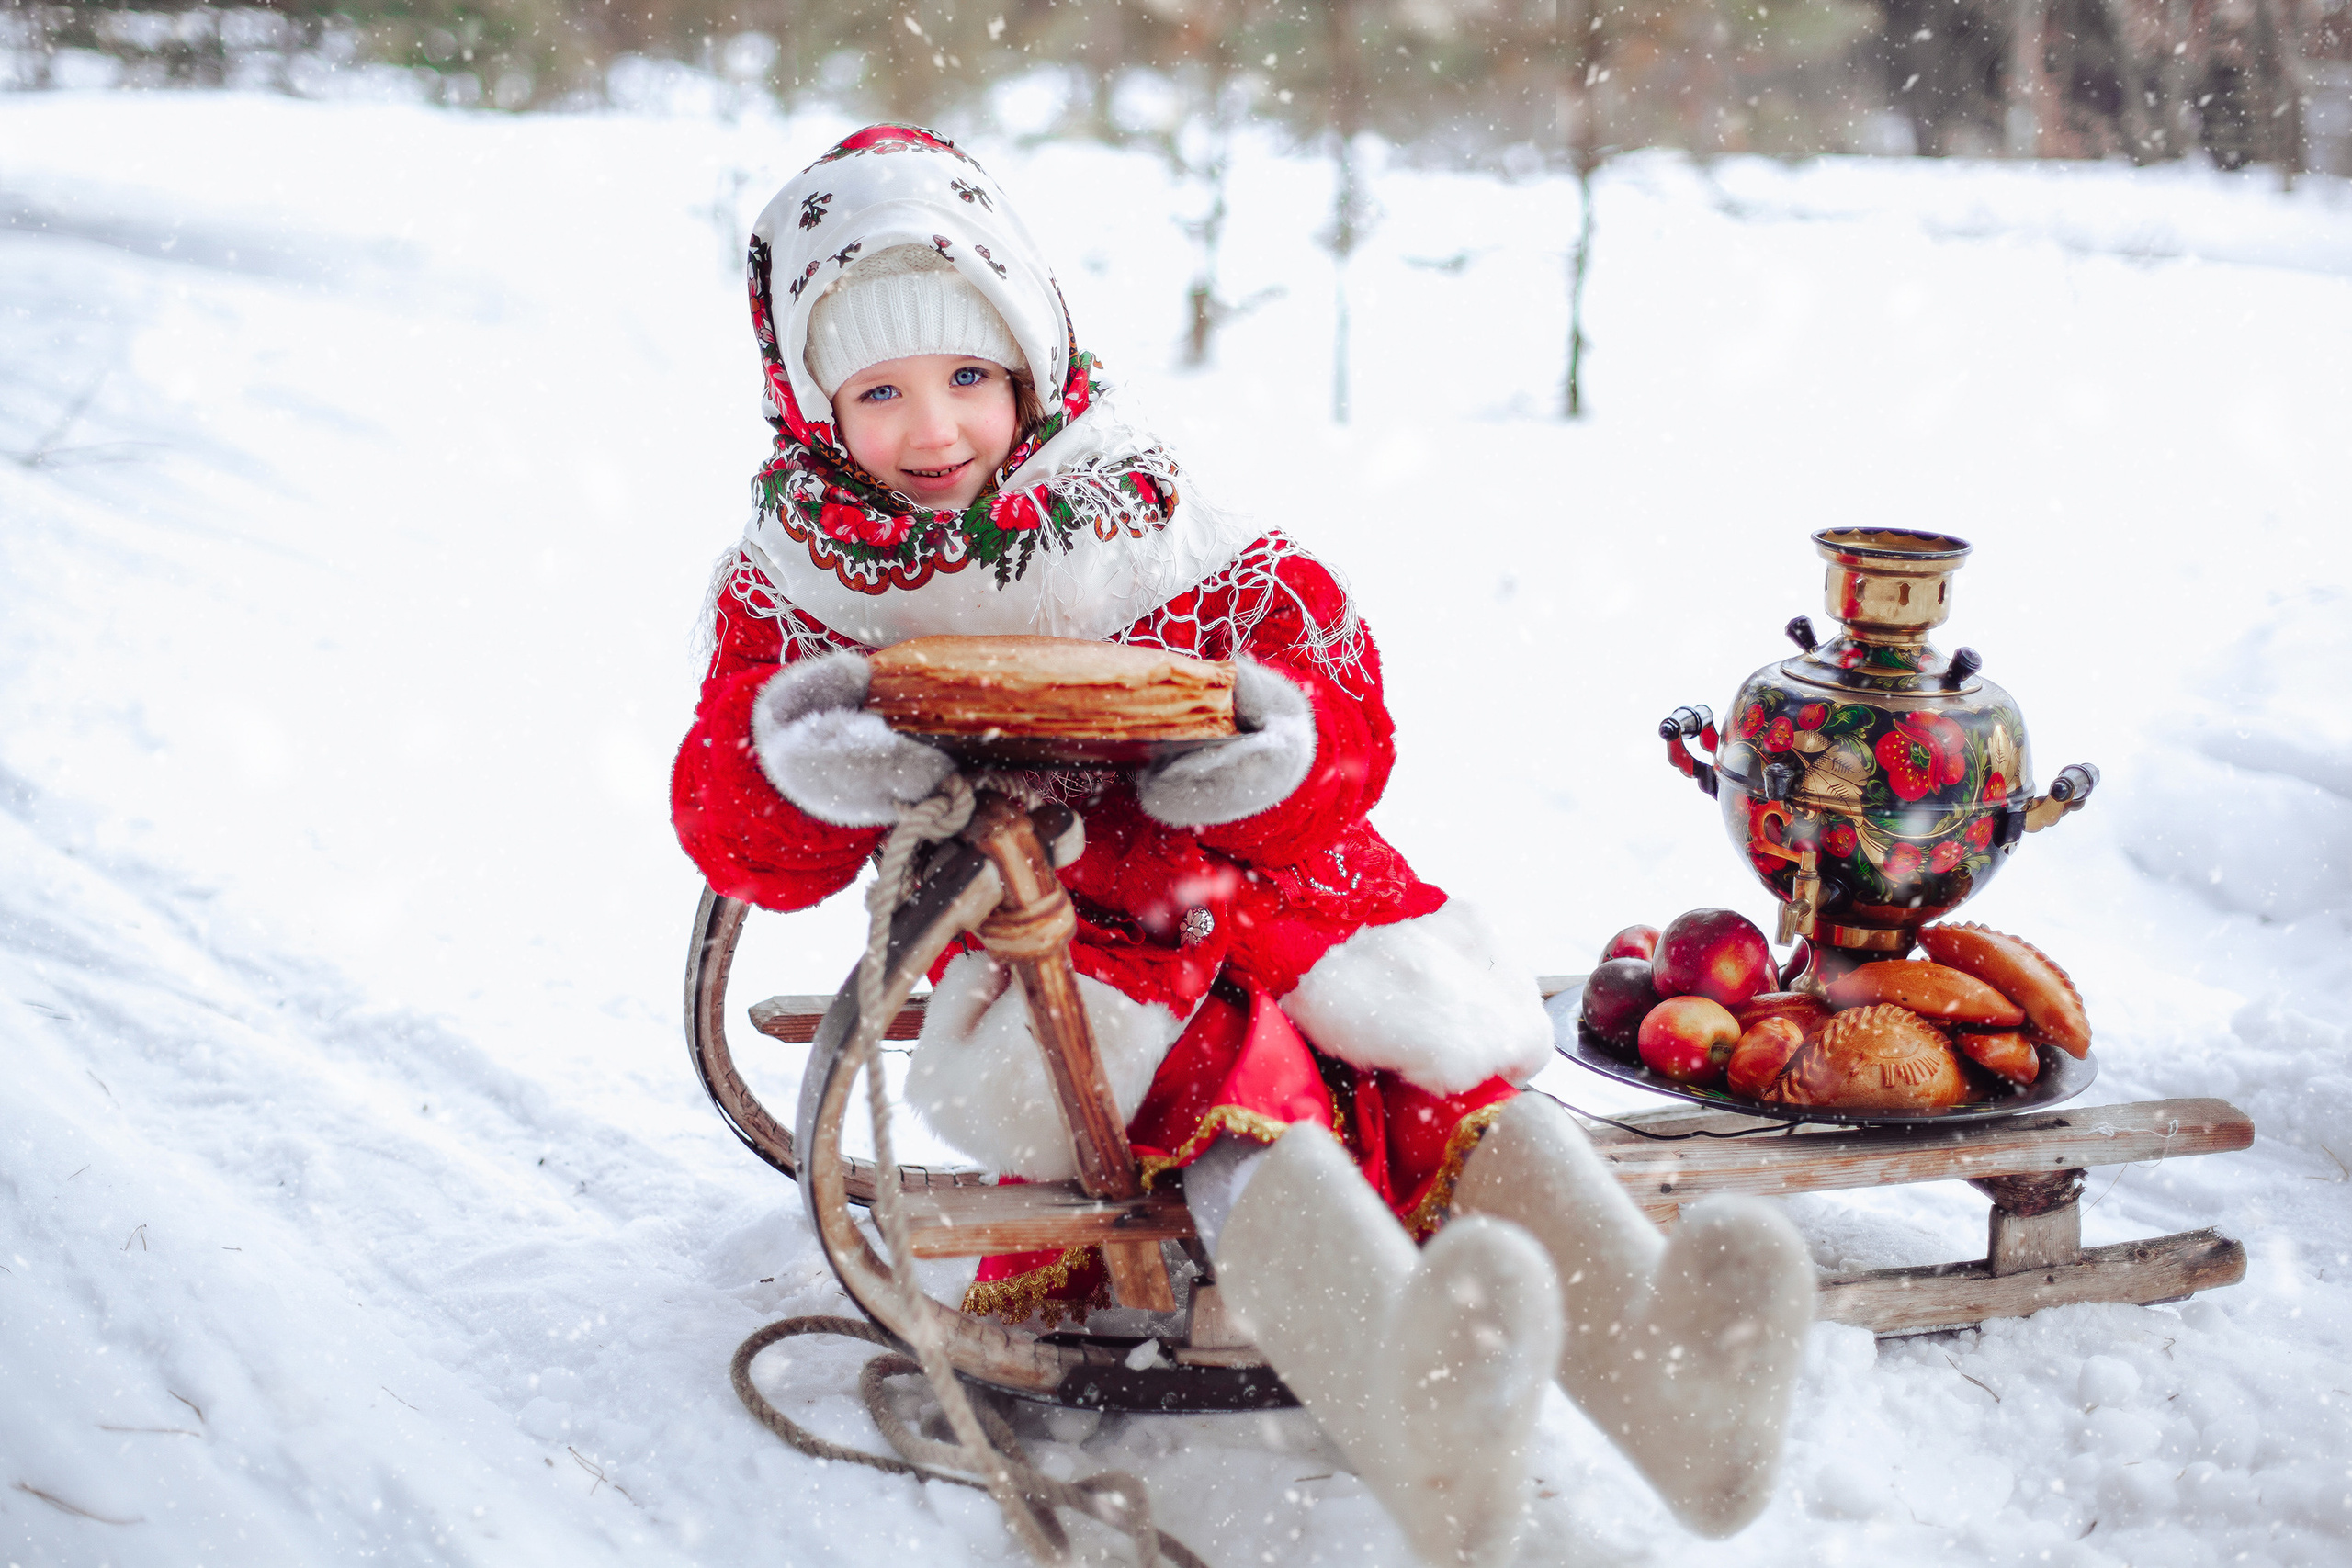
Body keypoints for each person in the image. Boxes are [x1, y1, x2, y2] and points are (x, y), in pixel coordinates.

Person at [673, 123, 1815, 1568]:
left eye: (968, 376)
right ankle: (1407, 1394)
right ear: (813, 402)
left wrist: (1276, 752)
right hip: (1052, 929)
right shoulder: (798, 583)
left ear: (1032, 360)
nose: (935, 429)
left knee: (1433, 1072)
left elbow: (1334, 687)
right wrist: (806, 760)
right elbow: (741, 837)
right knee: (1223, 1086)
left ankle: (1679, 1387)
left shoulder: (1139, 506)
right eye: (880, 392)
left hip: (1265, 878)